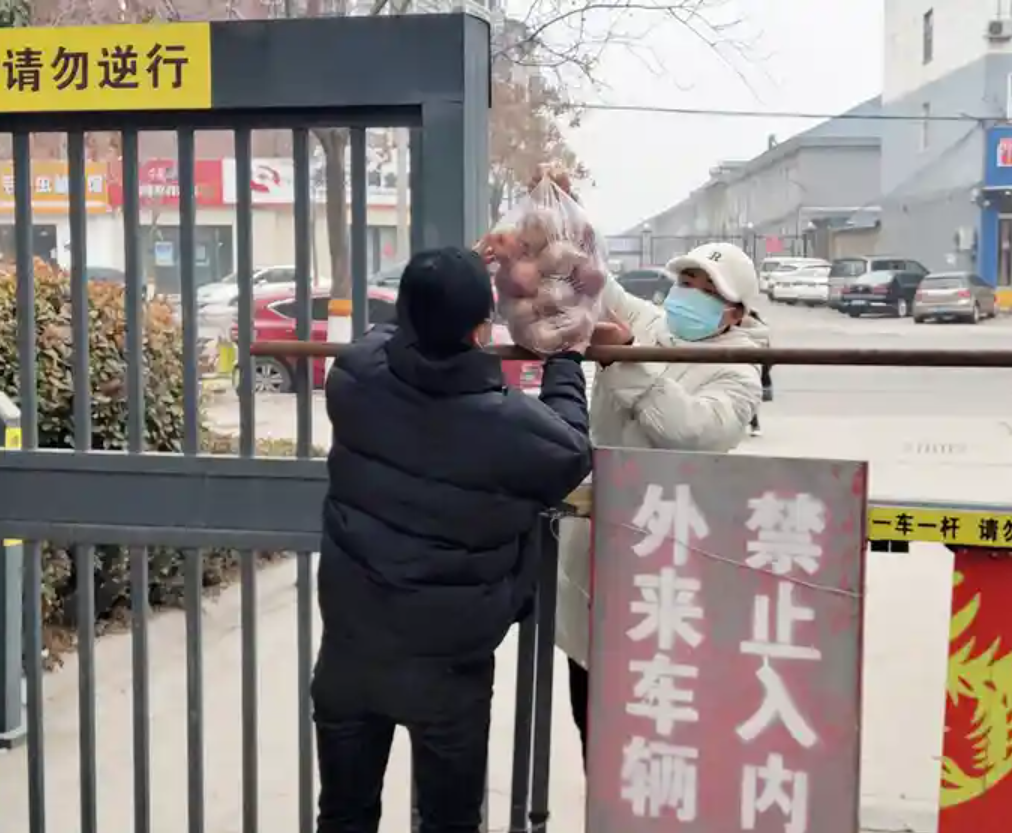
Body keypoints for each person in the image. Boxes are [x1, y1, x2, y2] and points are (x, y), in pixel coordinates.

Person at [313, 246, 593, 833]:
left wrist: (455, 270)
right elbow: (569, 449)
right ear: (480, 327)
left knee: (343, 813)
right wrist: (565, 358)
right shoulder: (505, 425)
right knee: (449, 821)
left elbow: (386, 335)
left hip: (349, 654)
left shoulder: (353, 377)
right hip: (447, 672)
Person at [557, 241, 768, 762]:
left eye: (706, 289)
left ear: (735, 313)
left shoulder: (738, 373)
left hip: (667, 564)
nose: (688, 296)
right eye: (686, 282)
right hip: (598, 548)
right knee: (591, 705)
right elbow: (596, 284)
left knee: (656, 707)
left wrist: (623, 359)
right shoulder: (648, 322)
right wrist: (562, 222)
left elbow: (689, 431)